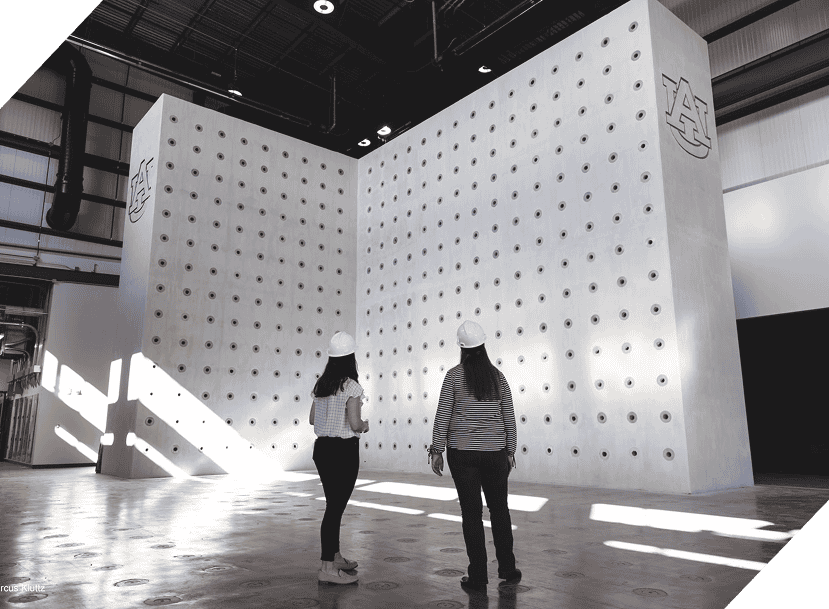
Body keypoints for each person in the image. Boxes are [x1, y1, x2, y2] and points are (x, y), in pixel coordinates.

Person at [309, 322, 522, 592]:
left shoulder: (454, 376)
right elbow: (509, 417)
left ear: (462, 348)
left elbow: (443, 415)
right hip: (495, 453)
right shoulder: (498, 377)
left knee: (471, 514)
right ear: (483, 345)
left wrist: (437, 450)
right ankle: (508, 569)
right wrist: (510, 451)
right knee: (500, 510)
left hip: (463, 454)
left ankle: (478, 576)